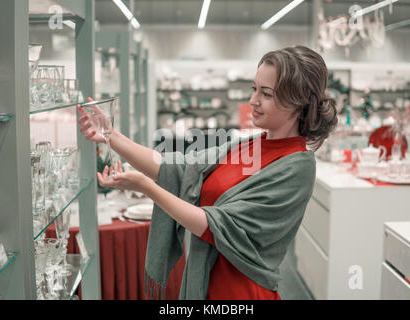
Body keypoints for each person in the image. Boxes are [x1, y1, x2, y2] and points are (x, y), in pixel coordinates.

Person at [77, 45, 337, 300]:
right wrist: (111, 136)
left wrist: (148, 188)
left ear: (299, 102)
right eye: (254, 89)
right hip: (205, 283)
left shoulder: (296, 166)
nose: (253, 101)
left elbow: (215, 225)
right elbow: (178, 168)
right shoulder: (250, 144)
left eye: (266, 94)